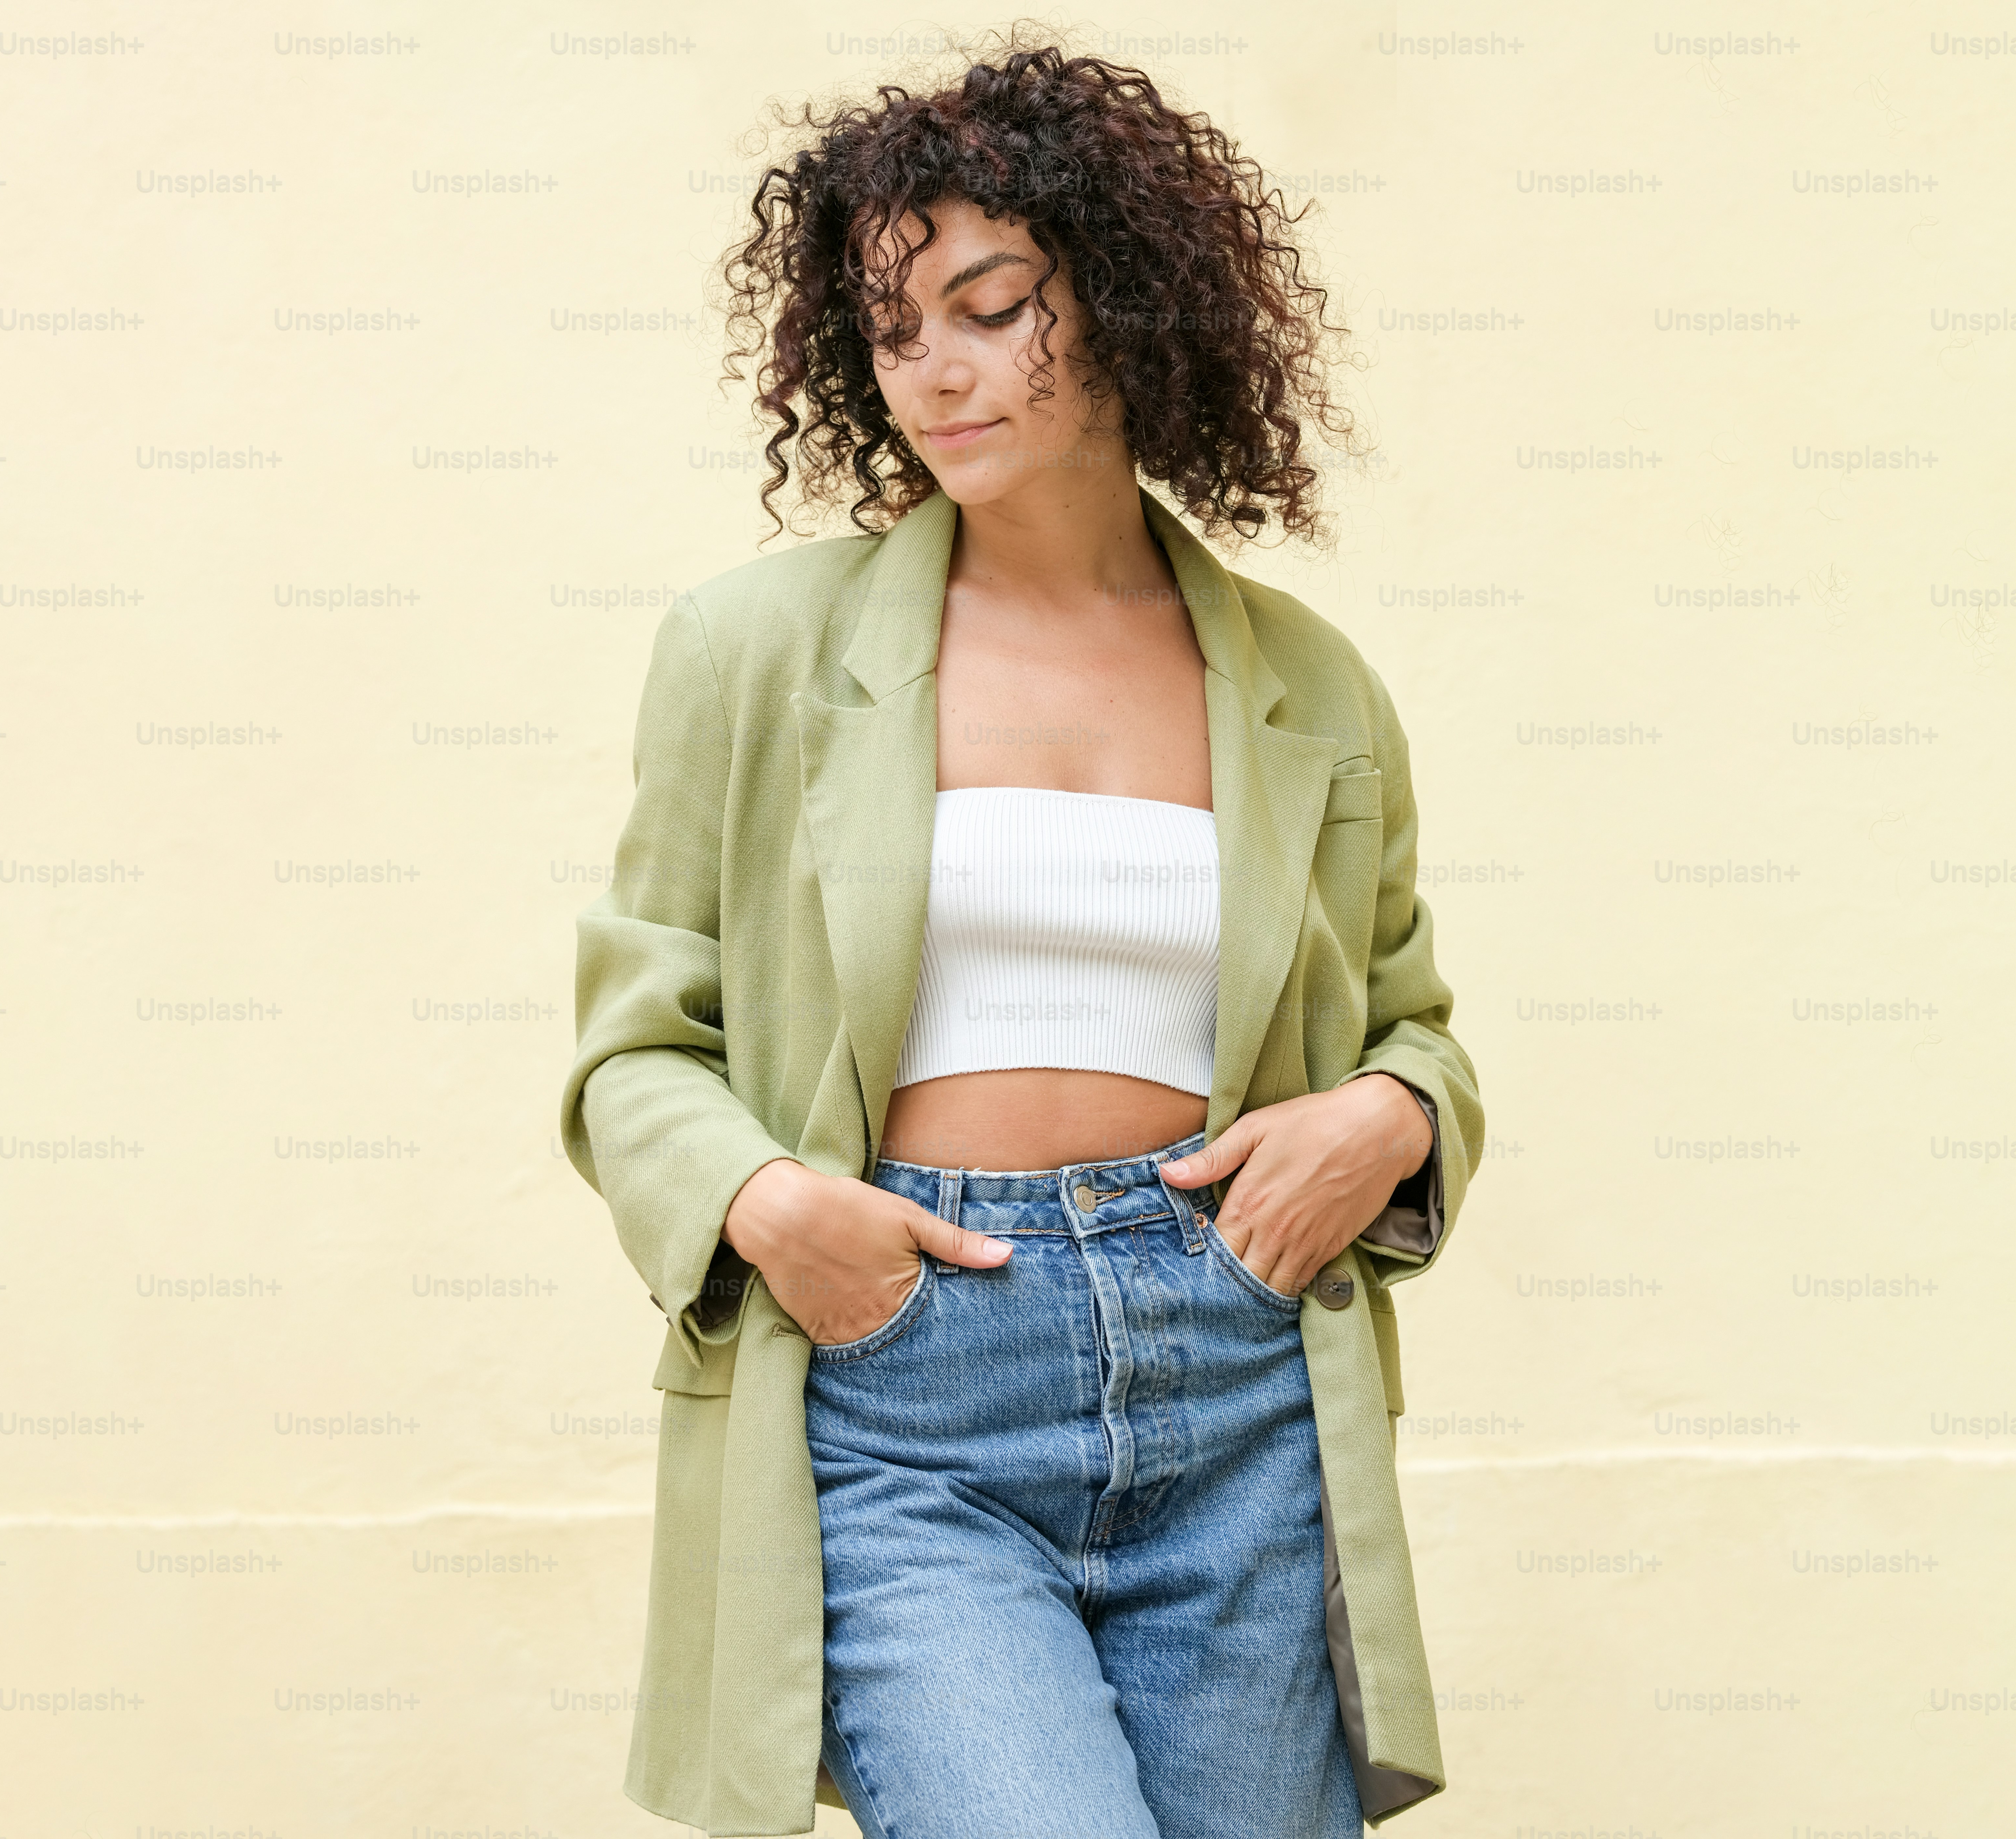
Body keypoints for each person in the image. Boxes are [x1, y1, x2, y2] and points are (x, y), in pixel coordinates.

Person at [562, 39, 1482, 1838]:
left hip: (1232, 1374)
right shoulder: (756, 651)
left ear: (1129, 307)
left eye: (991, 307)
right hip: (915, 1388)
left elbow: (1411, 1026)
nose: (937, 371)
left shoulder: (1309, 686)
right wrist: (773, 1210)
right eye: (896, 330)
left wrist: (1394, 1118)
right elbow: (634, 1047)